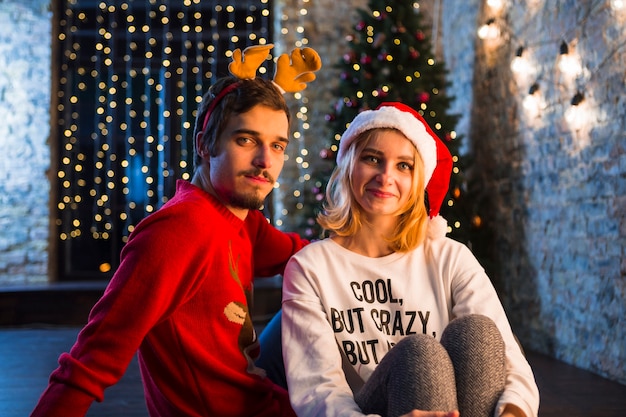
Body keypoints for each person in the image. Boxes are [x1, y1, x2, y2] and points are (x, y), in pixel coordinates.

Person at [31, 44, 321, 417]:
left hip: (260, 396)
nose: (265, 161)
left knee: (309, 308)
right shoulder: (178, 230)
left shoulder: (242, 220)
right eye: (246, 140)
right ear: (204, 145)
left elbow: (312, 259)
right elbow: (92, 359)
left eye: (277, 145)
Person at [280, 102, 540, 417]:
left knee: (478, 333)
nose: (386, 176)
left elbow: (512, 364)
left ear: (418, 181)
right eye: (372, 159)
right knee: (419, 353)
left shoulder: (450, 257)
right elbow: (318, 392)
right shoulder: (310, 267)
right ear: (349, 165)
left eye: (404, 165)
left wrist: (513, 413)